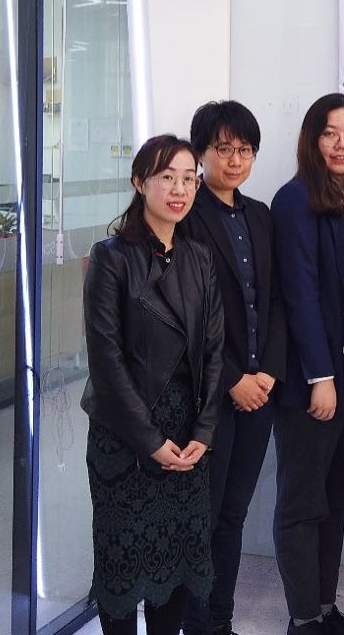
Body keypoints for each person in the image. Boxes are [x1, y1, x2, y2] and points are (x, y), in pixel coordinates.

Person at [82, 135, 224, 635]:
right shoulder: (111, 257)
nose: (179, 189)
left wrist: (204, 431)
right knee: (123, 565)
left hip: (186, 431)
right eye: (167, 177)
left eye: (189, 179)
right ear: (140, 182)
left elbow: (214, 351)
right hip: (126, 433)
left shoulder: (199, 258)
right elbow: (106, 362)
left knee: (178, 562)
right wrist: (148, 440)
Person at [272, 93, 344, 635]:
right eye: (331, 133)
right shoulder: (295, 199)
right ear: (312, 140)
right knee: (302, 501)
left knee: (334, 498)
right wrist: (320, 377)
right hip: (315, 381)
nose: (342, 144)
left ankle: (326, 608)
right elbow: (301, 293)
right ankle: (302, 618)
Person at [180, 101, 286, 635]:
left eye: (245, 149)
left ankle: (219, 619)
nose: (235, 159)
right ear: (201, 152)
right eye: (223, 149)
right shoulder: (185, 214)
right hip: (206, 395)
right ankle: (195, 622)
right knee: (200, 513)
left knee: (234, 513)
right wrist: (231, 380)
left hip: (259, 391)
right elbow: (185, 316)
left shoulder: (260, 215)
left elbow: (275, 301)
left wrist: (268, 372)